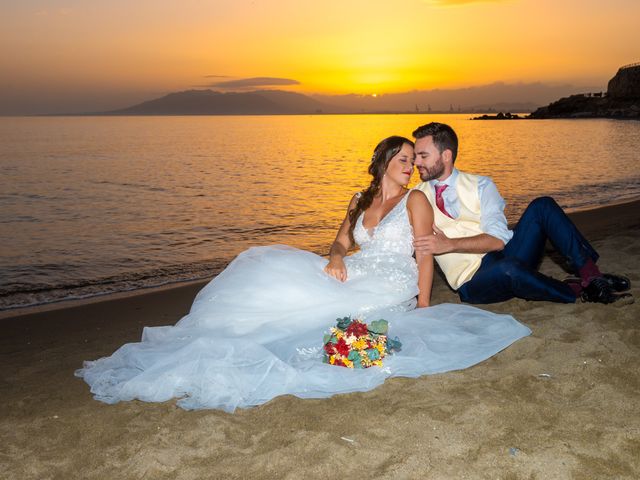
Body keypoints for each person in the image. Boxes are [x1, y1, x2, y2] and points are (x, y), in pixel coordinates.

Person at [76, 136, 530, 413]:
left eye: (414, 158)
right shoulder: (359, 200)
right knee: (274, 277)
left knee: (317, 323)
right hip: (353, 269)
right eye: (403, 157)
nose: (411, 165)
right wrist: (334, 258)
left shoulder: (415, 202)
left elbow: (425, 254)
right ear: (384, 161)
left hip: (392, 281)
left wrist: (426, 306)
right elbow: (340, 242)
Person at [412, 122, 632, 305]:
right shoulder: (415, 197)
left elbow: (498, 241)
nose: (416, 163)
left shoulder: (481, 185)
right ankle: (576, 291)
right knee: (510, 269)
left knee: (542, 205)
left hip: (504, 255)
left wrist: (449, 244)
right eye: (414, 157)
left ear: (446, 155)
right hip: (472, 282)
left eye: (423, 156)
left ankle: (592, 276)